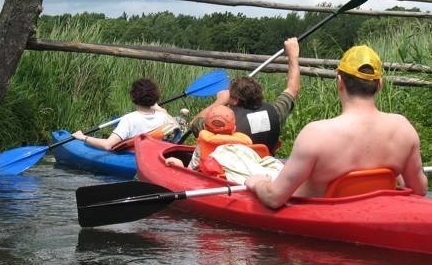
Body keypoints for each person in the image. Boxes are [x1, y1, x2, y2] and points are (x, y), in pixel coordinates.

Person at [245, 45, 428, 209]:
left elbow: (274, 198)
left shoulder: (316, 134)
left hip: (317, 230)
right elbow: (419, 190)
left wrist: (257, 183)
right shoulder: (403, 128)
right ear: (380, 85)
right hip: (376, 218)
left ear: (339, 82)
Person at [190, 37, 301, 154]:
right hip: (262, 166)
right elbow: (293, 88)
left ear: (235, 100)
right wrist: (293, 55)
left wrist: (220, 101)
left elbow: (194, 123)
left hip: (230, 169)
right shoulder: (276, 112)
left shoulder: (224, 125)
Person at [166, 105, 284, 182]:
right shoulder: (243, 142)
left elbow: (192, 172)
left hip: (218, 181)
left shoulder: (203, 144)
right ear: (234, 129)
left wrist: (180, 165)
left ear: (205, 127)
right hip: (246, 177)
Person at [73, 78, 178, 150]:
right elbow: (177, 129)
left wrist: (83, 137)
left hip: (134, 156)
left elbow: (107, 145)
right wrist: (161, 110)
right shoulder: (163, 116)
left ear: (133, 97)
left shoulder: (129, 119)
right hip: (154, 155)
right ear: (155, 97)